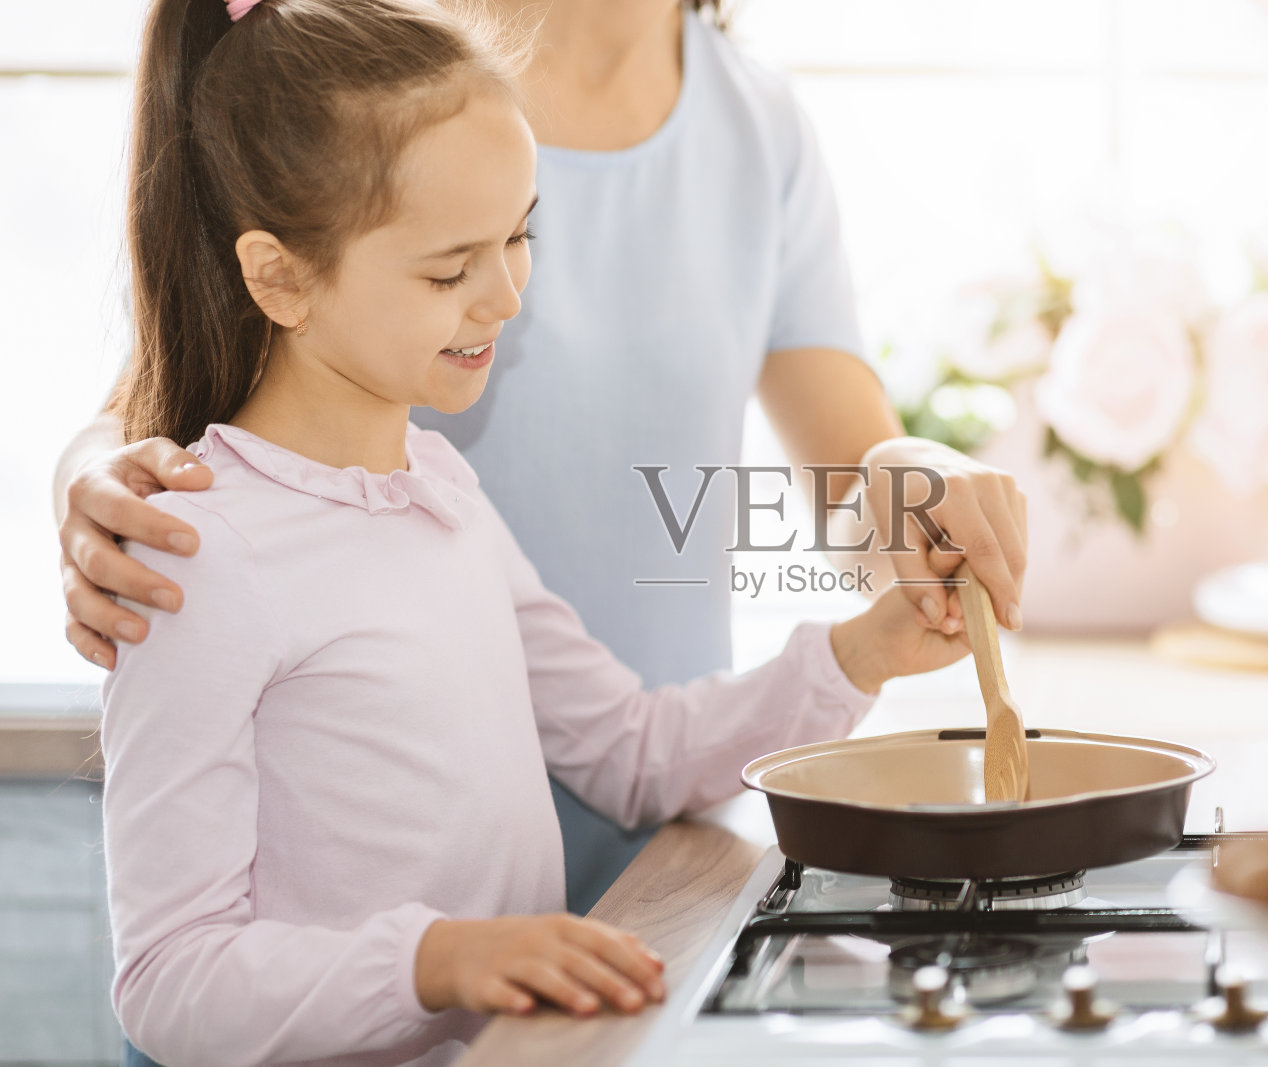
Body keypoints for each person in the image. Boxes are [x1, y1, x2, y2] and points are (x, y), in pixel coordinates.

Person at [98, 0, 969, 1064]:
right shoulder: (199, 559)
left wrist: (858, 652)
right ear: (278, 276)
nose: (508, 294)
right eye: (448, 267)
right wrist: (437, 960)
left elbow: (632, 753)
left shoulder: (442, 491)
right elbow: (168, 980)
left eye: (520, 236)